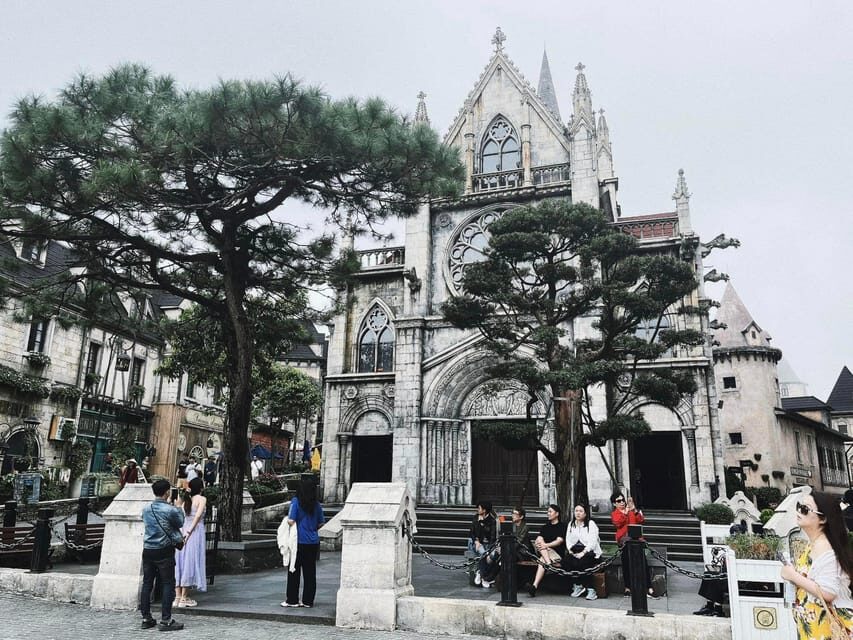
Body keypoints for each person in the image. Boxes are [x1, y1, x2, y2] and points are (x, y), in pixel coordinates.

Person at [782, 491, 853, 639]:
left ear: (823, 519)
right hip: (815, 626)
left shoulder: (824, 546)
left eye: (805, 509)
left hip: (826, 628)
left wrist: (793, 576)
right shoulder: (814, 544)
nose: (799, 511)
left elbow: (827, 592)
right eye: (799, 506)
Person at [139, 479, 185, 631]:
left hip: (148, 549)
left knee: (147, 583)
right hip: (164, 549)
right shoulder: (170, 509)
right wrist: (178, 507)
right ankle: (166, 620)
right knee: (167, 583)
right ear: (167, 492)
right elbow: (180, 523)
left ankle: (146, 618)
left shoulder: (146, 509)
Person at [281, 477, 325, 608]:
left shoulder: (296, 501)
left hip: (298, 541)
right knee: (310, 572)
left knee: (293, 570)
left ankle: (292, 599)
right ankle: (308, 601)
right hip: (312, 542)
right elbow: (321, 523)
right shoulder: (316, 504)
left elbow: (291, 520)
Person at [611, 492, 655, 598]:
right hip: (624, 541)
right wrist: (625, 513)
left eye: (623, 500)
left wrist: (634, 509)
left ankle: (648, 587)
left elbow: (641, 520)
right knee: (626, 564)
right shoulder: (615, 513)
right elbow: (617, 523)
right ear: (614, 504)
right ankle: (628, 587)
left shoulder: (631, 511)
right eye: (618, 501)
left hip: (636, 540)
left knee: (643, 563)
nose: (622, 502)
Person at [478, 506, 532, 588]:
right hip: (510, 550)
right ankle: (484, 574)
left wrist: (504, 549)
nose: (512, 515)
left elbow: (518, 543)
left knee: (503, 556)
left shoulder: (525, 527)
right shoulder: (511, 525)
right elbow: (504, 538)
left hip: (521, 552)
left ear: (521, 517)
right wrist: (500, 548)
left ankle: (487, 577)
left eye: (515, 514)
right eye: (512, 513)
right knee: (488, 555)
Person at [174, 477, 207, 608]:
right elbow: (198, 516)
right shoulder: (201, 499)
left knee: (180, 562)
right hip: (194, 531)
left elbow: (179, 514)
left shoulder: (184, 501)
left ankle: (177, 597)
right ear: (201, 488)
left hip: (183, 530)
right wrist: (189, 532)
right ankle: (184, 597)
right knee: (191, 561)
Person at [565, 503, 603, 601]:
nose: (578, 513)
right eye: (576, 511)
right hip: (575, 550)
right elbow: (568, 539)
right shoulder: (571, 524)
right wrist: (570, 551)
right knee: (566, 561)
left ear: (585, 513)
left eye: (581, 511)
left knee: (583, 563)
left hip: (590, 552)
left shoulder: (591, 524)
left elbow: (593, 542)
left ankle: (591, 589)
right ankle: (578, 585)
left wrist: (583, 552)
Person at [527, 504, 566, 597]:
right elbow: (538, 540)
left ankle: (534, 586)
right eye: (547, 512)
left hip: (556, 554)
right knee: (540, 541)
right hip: (546, 553)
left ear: (557, 514)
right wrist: (542, 545)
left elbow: (559, 541)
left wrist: (546, 545)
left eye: (550, 512)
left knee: (542, 560)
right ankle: (548, 564)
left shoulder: (562, 526)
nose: (548, 514)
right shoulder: (545, 527)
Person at [469, 500, 497, 585]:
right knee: (483, 553)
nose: (478, 510)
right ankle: (484, 578)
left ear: (484, 510)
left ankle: (480, 573)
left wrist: (483, 523)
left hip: (488, 544)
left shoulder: (492, 521)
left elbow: (492, 537)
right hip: (477, 544)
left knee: (491, 556)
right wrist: (476, 541)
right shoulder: (475, 518)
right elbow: (472, 533)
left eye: (479, 508)